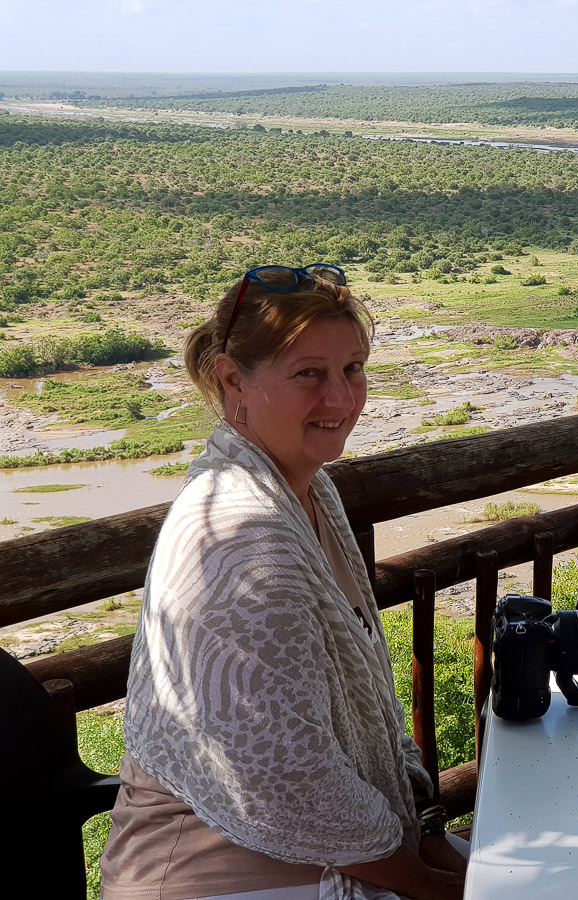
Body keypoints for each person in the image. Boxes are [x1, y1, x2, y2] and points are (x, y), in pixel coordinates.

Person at [100, 265, 467, 900]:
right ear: (232, 378)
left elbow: (371, 704)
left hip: (319, 844)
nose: (341, 398)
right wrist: (431, 884)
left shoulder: (306, 487)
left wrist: (428, 829)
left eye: (352, 369)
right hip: (218, 868)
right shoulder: (244, 541)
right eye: (309, 374)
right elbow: (287, 781)